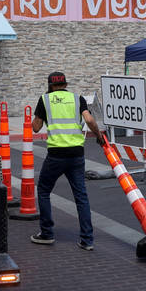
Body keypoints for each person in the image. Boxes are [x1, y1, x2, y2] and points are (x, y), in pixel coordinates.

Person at [31, 71, 105, 251]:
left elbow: (36, 127)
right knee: (81, 196)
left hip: (56, 154)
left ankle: (47, 233)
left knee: (43, 190)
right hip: (76, 154)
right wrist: (99, 135)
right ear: (65, 84)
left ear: (50, 85)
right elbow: (89, 119)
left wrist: (42, 116)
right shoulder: (77, 98)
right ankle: (87, 240)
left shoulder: (45, 99)